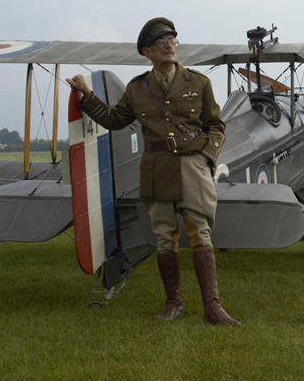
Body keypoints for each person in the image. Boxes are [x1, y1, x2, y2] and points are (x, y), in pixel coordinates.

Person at [66, 17, 240, 326]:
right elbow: (115, 119)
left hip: (192, 166)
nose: (169, 45)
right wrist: (86, 96)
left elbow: (216, 126)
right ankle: (173, 302)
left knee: (200, 233)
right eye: (161, 42)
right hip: (156, 168)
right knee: (164, 238)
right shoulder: (137, 89)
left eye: (172, 40)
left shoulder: (198, 83)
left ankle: (213, 306)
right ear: (147, 51)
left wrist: (205, 158)